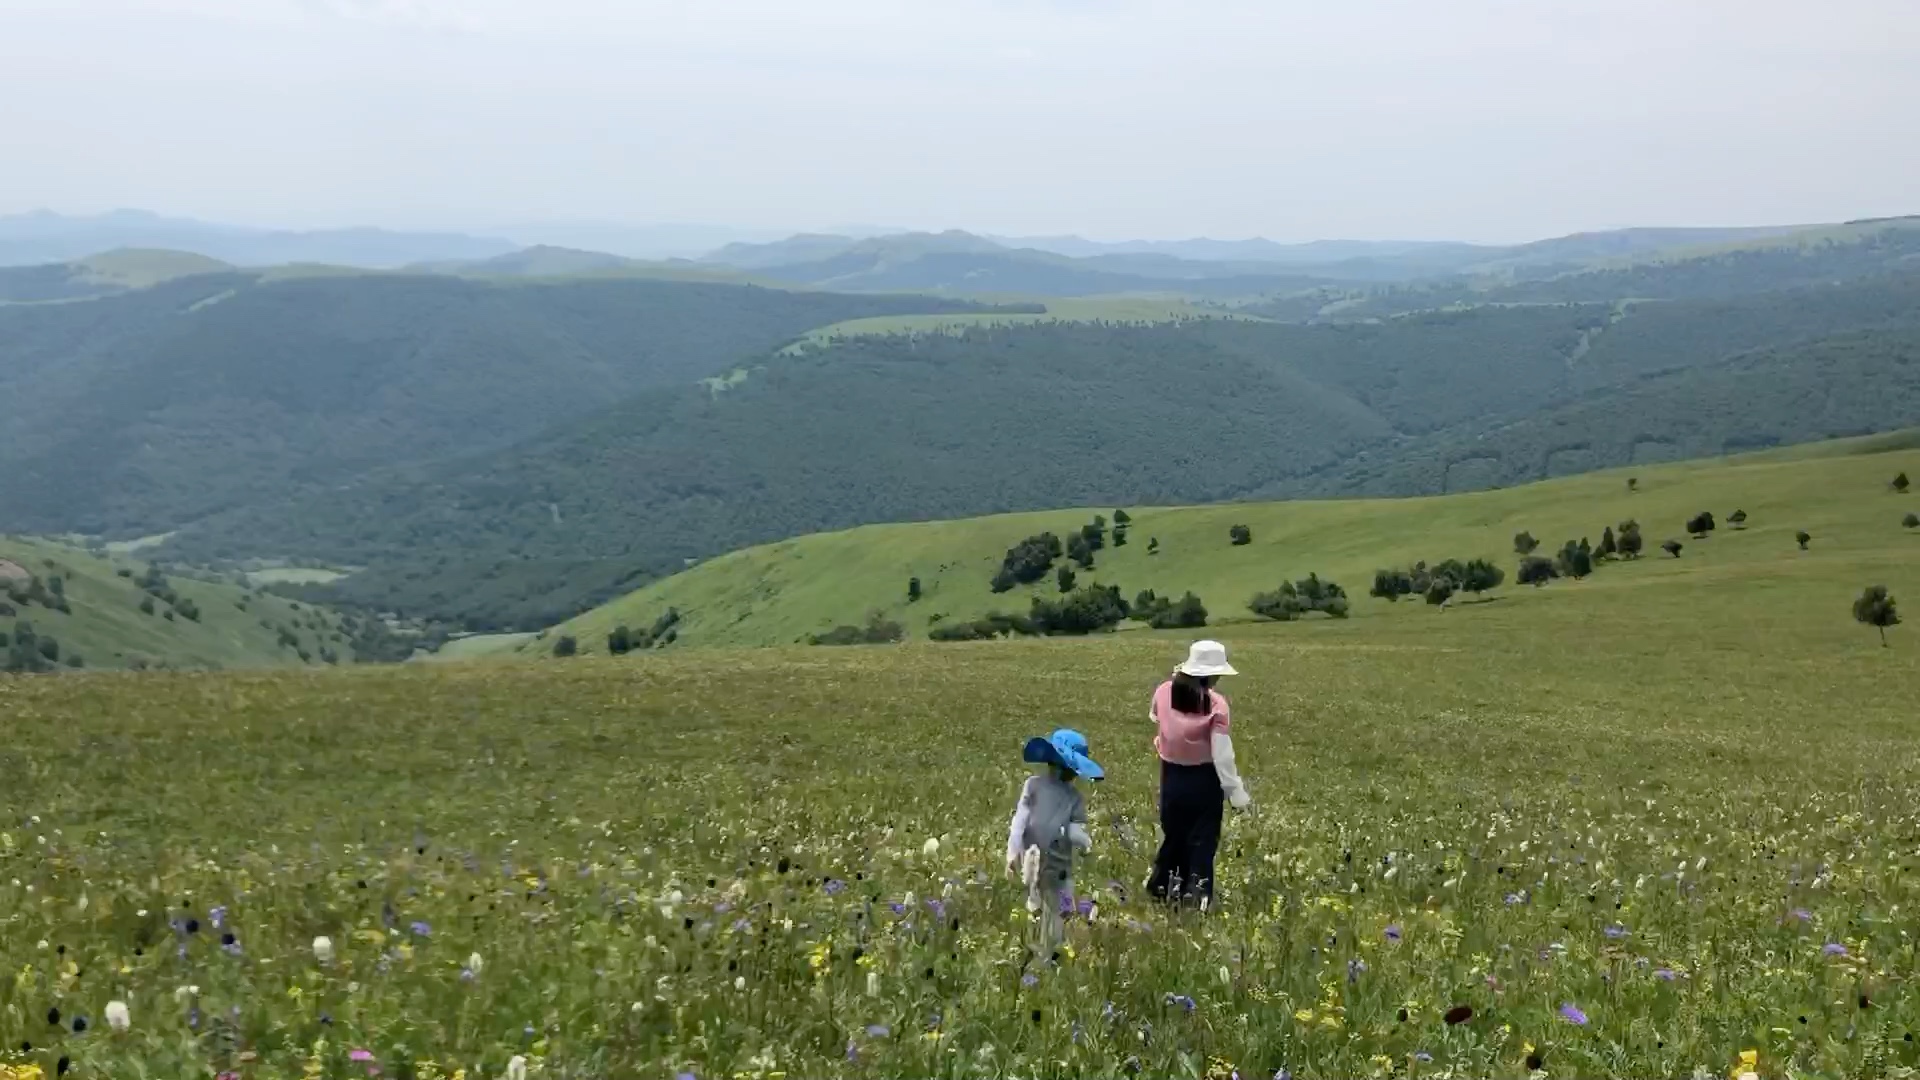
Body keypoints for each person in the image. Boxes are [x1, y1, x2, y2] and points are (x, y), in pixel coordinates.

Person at [1147, 640, 1250, 907]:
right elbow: (1222, 754)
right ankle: (1198, 895)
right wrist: (1235, 792)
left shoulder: (1163, 692)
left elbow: (1158, 722)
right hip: (1204, 779)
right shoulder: (1216, 704)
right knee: (1202, 840)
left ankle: (1164, 887)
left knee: (1174, 834)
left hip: (1170, 777)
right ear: (1213, 674)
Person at [1006, 728, 1099, 950]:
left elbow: (1020, 820)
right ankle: (1051, 945)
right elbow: (1075, 833)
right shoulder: (1072, 797)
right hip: (1055, 864)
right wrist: (1087, 844)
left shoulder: (1034, 785)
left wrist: (1013, 850)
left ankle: (1037, 935)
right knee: (1060, 897)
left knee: (1039, 891)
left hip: (1034, 858)